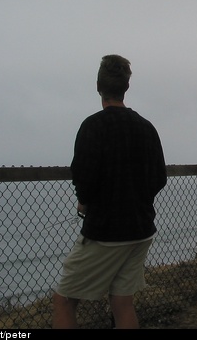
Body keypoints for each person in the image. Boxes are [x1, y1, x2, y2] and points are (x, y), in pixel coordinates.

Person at [52, 54, 167, 329]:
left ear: (98, 87)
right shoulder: (146, 127)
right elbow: (159, 178)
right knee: (122, 301)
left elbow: (84, 176)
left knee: (64, 300)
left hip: (105, 233)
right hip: (141, 230)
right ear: (126, 87)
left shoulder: (93, 126)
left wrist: (85, 202)